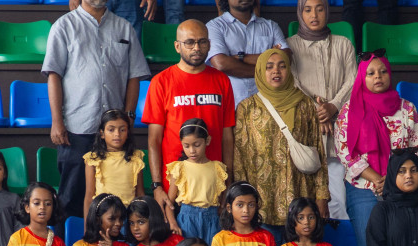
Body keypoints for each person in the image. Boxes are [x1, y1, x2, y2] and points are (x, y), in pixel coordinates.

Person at [44, 0, 150, 227]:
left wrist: (129, 115)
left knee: (116, 200)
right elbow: (54, 75)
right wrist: (57, 121)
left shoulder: (124, 27)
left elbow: (134, 75)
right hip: (76, 127)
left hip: (114, 133)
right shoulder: (64, 26)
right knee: (71, 196)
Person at [334, 54, 418, 246]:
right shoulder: (349, 110)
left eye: (383, 71)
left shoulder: (407, 109)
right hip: (363, 189)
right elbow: (345, 152)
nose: (378, 77)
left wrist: (393, 180)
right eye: (371, 73)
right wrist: (378, 179)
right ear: (362, 78)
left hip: (402, 190)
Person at [146, 22, 237, 224]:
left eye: (202, 42)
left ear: (209, 44)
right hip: (176, 187)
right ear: (177, 46)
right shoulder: (161, 81)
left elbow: (227, 136)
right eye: (190, 42)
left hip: (213, 185)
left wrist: (228, 179)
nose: (196, 48)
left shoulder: (222, 80)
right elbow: (154, 139)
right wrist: (157, 185)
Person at [232, 49, 330, 228]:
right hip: (261, 203)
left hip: (300, 200)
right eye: (269, 67)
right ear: (261, 72)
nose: (276, 71)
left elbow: (318, 151)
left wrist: (322, 196)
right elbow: (240, 157)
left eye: (282, 66)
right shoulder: (247, 107)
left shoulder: (305, 104)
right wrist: (242, 199)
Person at [287, 0, 358, 219]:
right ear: (300, 12)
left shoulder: (343, 44)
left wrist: (332, 106)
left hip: (341, 128)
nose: (314, 14)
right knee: (304, 201)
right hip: (306, 129)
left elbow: (353, 81)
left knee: (339, 201)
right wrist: (319, 109)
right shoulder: (290, 46)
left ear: (327, 11)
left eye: (320, 8)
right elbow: (292, 83)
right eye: (307, 9)